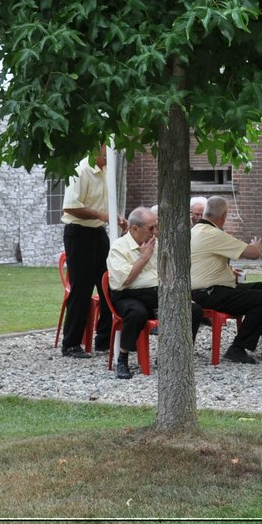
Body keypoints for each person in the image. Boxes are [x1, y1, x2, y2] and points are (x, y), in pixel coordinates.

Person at [189, 195, 262, 364]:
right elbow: (253, 254)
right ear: (224, 216)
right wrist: (257, 245)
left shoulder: (195, 230)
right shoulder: (213, 233)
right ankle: (238, 348)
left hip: (209, 290)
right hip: (209, 293)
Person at [58, 147, 112, 358]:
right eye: (107, 151)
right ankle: (71, 344)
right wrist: (101, 215)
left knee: (109, 283)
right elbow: (70, 207)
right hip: (79, 233)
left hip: (98, 231)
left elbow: (101, 209)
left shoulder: (106, 170)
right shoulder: (81, 170)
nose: (110, 156)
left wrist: (112, 217)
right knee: (82, 288)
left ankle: (104, 340)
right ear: (98, 148)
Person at [106, 206, 160, 379]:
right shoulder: (119, 248)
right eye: (151, 228)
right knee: (137, 313)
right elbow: (125, 281)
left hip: (154, 293)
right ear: (134, 229)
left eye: (156, 227)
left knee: (192, 310)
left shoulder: (155, 243)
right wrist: (144, 257)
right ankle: (122, 359)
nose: (154, 232)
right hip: (127, 294)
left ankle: (172, 355)